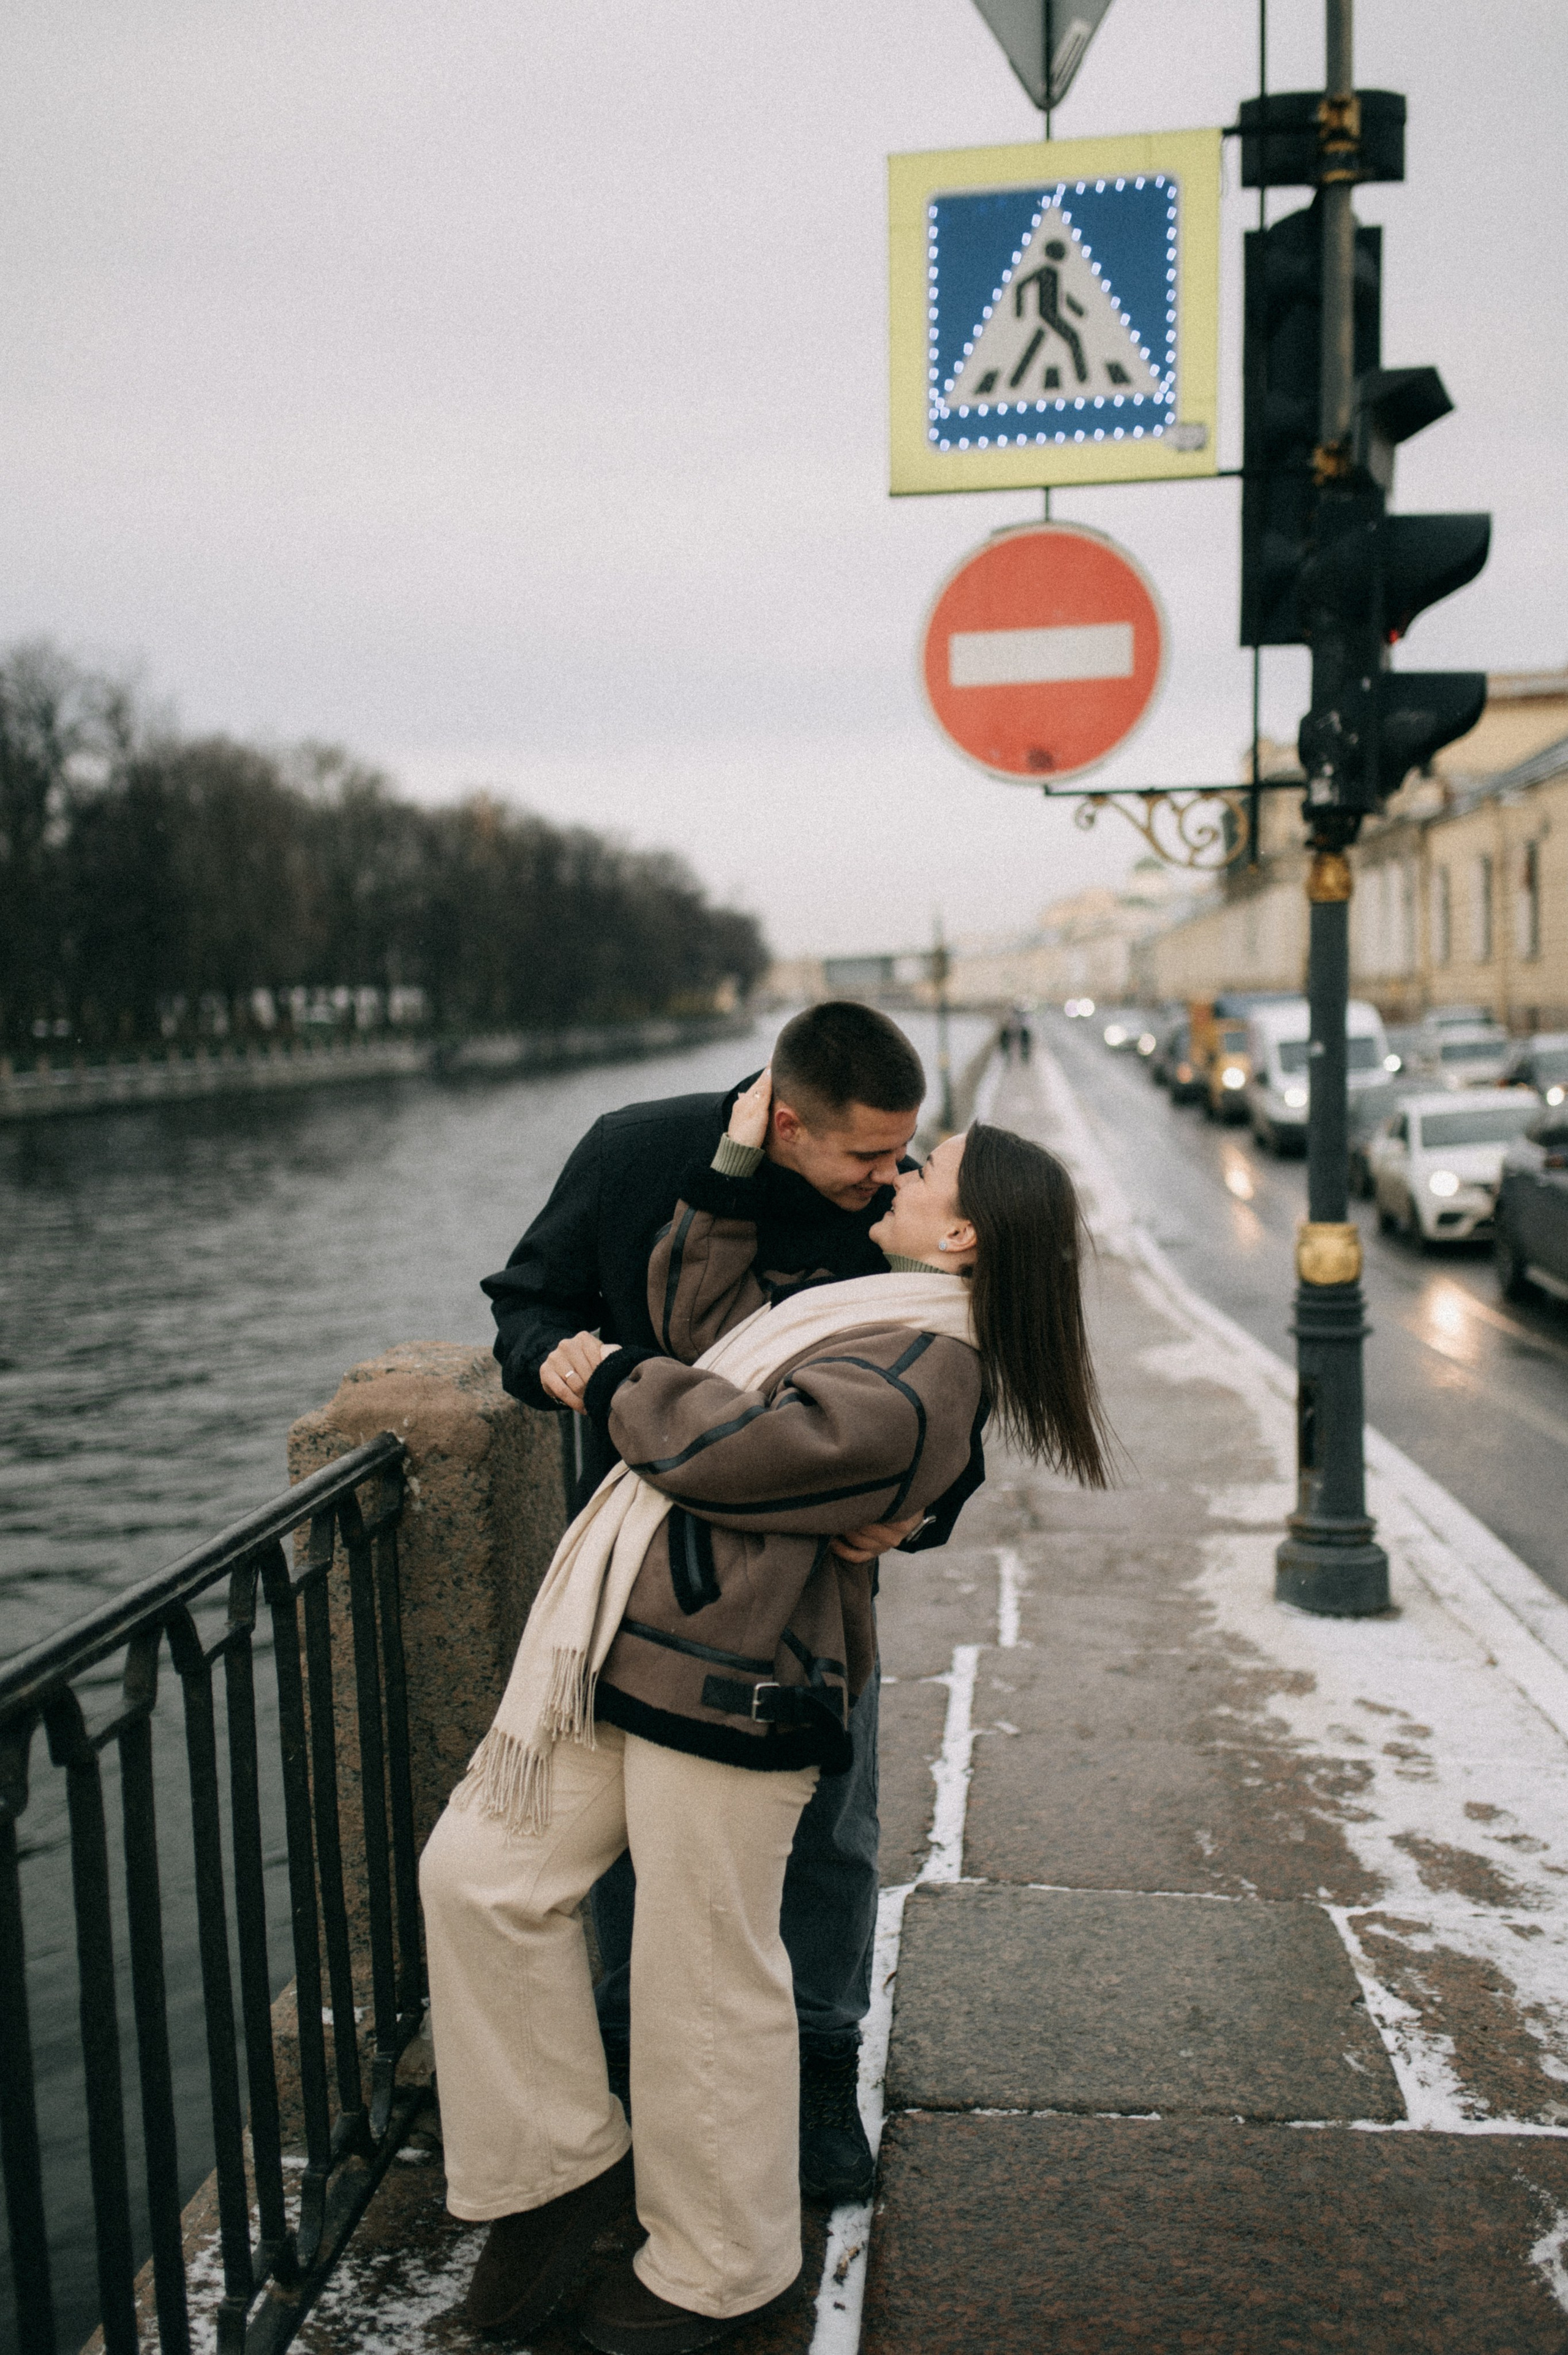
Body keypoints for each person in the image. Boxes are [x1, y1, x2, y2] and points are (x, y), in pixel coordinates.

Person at [421, 1081, 1110, 2351]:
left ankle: (720, 2266)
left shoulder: (926, 1358)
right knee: (477, 1875)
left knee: (705, 1976)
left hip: (742, 1678)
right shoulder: (858, 1296)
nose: (897, 1174)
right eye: (890, 1154)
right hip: (628, 1645)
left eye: (924, 1166)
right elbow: (704, 1325)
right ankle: (563, 2166)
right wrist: (728, 1172)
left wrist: (619, 1376)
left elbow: (732, 1442)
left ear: (962, 1239)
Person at [479, 1002, 987, 2204]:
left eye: (904, 1155)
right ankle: (618, 2061)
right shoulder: (635, 1154)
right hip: (640, 1578)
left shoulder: (892, 1212)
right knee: (617, 1848)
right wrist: (545, 1357)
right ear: (786, 1118)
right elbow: (527, 1301)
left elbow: (952, 1384)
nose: (889, 1178)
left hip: (812, 1592)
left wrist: (920, 1512)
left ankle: (819, 2074)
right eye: (865, 1156)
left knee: (830, 1834)